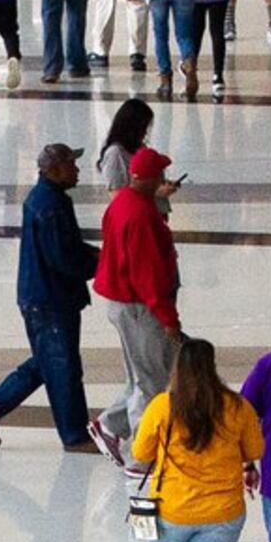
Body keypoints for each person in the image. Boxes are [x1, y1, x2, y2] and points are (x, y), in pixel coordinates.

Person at [133, 339, 264, 542]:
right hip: (223, 512)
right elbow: (255, 448)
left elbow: (140, 452)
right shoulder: (236, 406)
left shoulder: (163, 406)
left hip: (171, 510)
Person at [0, 147, 99, 452]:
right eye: (71, 164)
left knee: (46, 362)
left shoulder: (49, 199)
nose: (77, 170)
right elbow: (62, 257)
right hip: (50, 300)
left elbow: (66, 246)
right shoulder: (50, 205)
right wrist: (100, 266)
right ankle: (74, 434)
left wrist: (92, 253)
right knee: (63, 366)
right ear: (53, 169)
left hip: (44, 295)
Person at [94, 146, 186, 442]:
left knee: (142, 374)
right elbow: (148, 275)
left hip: (124, 303)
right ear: (145, 177)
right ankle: (140, 454)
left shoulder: (124, 204)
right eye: (159, 173)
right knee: (149, 382)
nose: (162, 178)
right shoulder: (141, 215)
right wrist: (168, 318)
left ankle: (110, 425)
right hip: (140, 308)